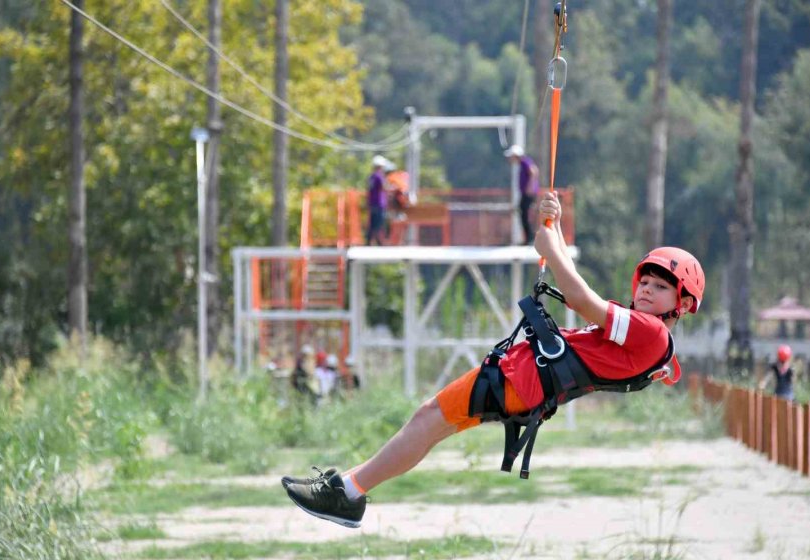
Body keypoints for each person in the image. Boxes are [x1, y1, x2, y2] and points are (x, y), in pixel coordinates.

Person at [282, 192, 705, 528]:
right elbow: (580, 291)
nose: (648, 289)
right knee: (428, 423)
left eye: (662, 287)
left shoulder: (650, 333)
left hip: (522, 381)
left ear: (681, 303)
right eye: (645, 281)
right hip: (525, 383)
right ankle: (348, 488)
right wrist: (552, 230)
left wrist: (551, 246)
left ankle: (348, 492)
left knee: (428, 419)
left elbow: (579, 298)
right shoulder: (643, 332)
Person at [504, 144, 540, 244]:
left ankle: (529, 238)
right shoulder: (522, 163)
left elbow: (534, 172)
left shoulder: (525, 162)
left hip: (528, 193)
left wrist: (530, 187)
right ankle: (528, 238)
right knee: (523, 213)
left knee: (525, 214)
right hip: (526, 193)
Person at [366, 155, 393, 246]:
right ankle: (377, 241)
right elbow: (384, 187)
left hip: (372, 202)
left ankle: (370, 241)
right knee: (379, 222)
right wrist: (392, 187)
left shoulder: (371, 176)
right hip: (379, 203)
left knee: (372, 223)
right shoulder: (379, 176)